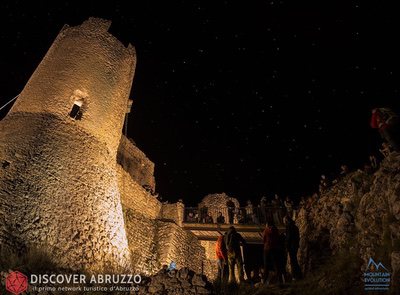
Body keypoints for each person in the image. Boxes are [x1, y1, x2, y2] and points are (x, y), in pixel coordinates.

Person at [262, 219, 284, 285]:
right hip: (275, 249)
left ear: (267, 224)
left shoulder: (266, 230)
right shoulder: (276, 230)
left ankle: (264, 282)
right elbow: (278, 238)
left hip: (267, 249)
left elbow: (264, 240)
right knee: (277, 265)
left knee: (266, 266)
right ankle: (280, 281)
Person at [283, 215, 302, 280]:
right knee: (294, 260)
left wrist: (286, 246)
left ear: (286, 221)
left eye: (284, 221)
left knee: (293, 261)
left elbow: (289, 238)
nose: (284, 222)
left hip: (291, 246)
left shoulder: (288, 227)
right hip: (296, 245)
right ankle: (299, 274)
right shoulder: (295, 227)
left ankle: (295, 276)